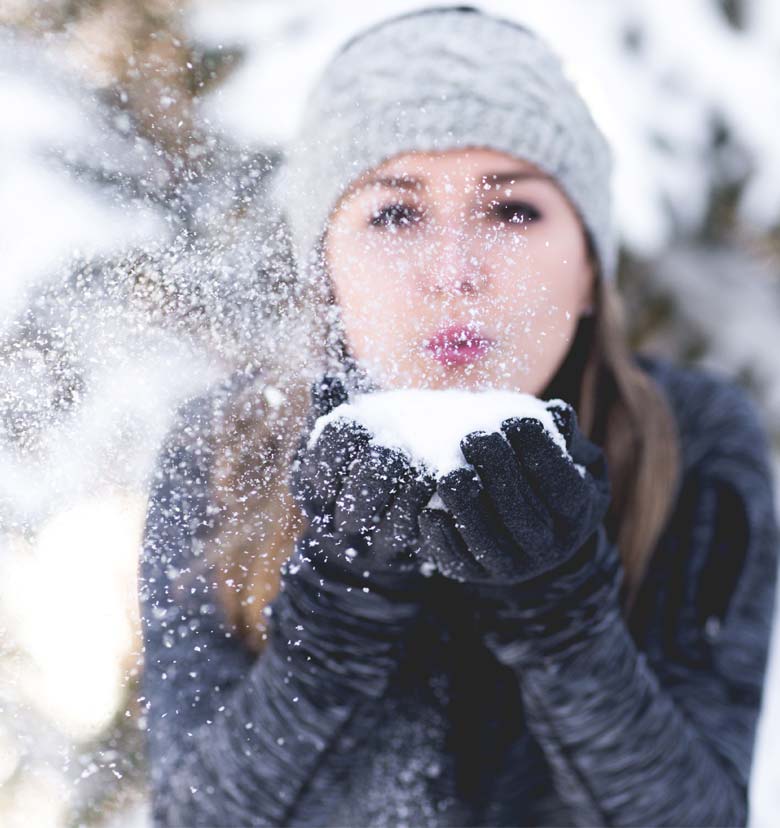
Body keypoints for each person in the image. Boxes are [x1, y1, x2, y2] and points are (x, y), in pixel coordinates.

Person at [137, 6, 779, 827]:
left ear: (588, 267)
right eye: (395, 212)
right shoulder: (228, 450)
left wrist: (564, 616)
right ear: (325, 266)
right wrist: (340, 608)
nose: (454, 271)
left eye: (512, 210)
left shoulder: (688, 444)